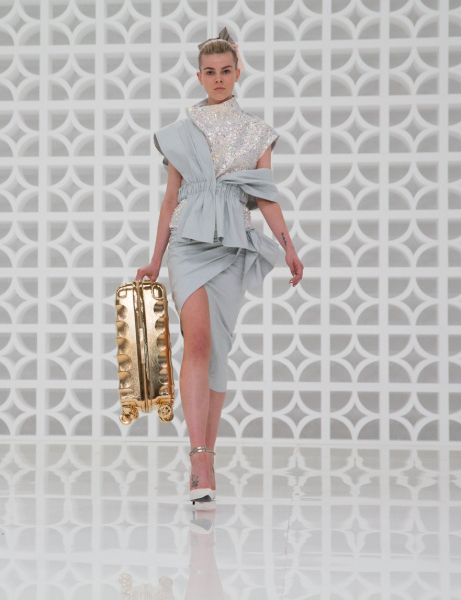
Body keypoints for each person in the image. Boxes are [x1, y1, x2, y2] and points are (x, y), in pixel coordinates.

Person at [135, 27, 303, 508]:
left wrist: (289, 248)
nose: (218, 79)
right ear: (199, 76)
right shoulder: (181, 131)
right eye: (209, 72)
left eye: (226, 70)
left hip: (231, 246)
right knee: (198, 342)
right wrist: (155, 258)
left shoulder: (256, 133)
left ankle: (208, 453)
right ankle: (199, 461)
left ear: (238, 71)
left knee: (218, 351)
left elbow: (266, 197)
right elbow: (170, 199)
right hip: (188, 245)